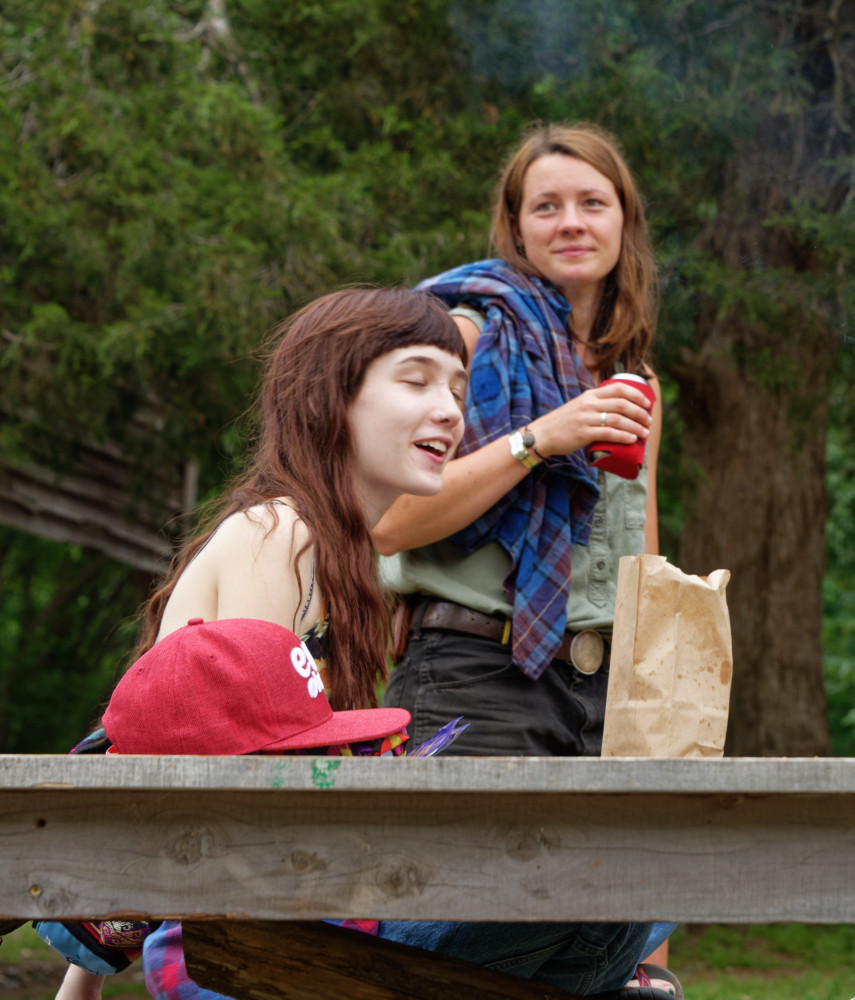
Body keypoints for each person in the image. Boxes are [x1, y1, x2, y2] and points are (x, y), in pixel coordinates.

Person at [42, 287, 664, 1000]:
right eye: (417, 380)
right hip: (242, 945)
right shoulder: (278, 536)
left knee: (627, 898)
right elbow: (240, 796)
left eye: (459, 387)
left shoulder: (341, 559)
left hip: (302, 917)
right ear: (329, 397)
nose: (449, 410)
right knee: (616, 891)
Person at [373, 121, 663, 759]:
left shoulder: (635, 381)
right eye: (546, 207)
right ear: (516, 226)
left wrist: (653, 689)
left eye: (593, 203)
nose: (571, 223)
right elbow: (389, 523)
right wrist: (539, 440)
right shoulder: (460, 339)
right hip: (472, 680)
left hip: (605, 699)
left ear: (624, 221)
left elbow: (641, 562)